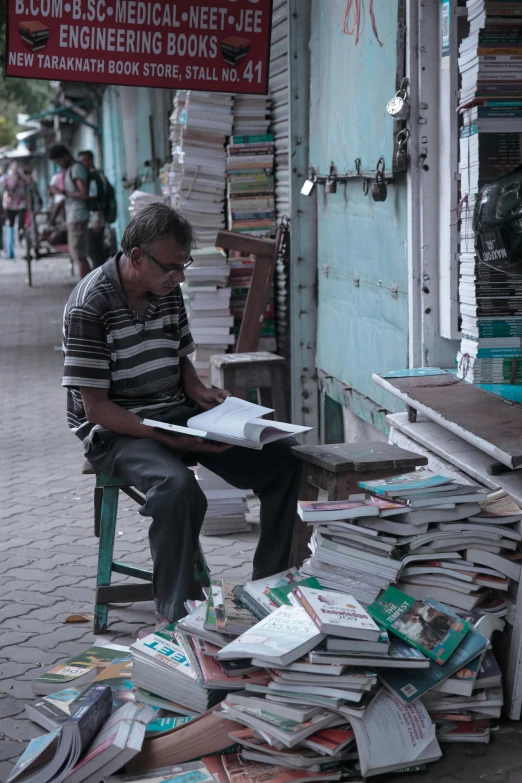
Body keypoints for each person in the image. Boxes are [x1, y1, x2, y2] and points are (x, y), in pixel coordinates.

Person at [62, 204, 301, 625]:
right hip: (116, 429)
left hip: (173, 411)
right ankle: (176, 616)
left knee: (284, 460)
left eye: (184, 265)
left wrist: (200, 392)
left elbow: (180, 360)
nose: (181, 277)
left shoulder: (165, 289)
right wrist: (168, 440)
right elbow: (97, 408)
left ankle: (270, 587)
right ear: (137, 258)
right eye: (172, 267)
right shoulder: (90, 307)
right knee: (177, 489)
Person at [49, 144, 90, 279]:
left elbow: (83, 194)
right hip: (73, 216)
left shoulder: (76, 169)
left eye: (59, 161)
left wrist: (62, 192)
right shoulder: (69, 170)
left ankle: (86, 288)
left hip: (78, 216)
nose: (59, 164)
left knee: (80, 255)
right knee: (77, 255)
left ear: (65, 157)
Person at [78, 149, 108, 269]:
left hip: (95, 219)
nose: (82, 164)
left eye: (84, 160)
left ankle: (100, 280)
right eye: (80, 161)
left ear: (90, 160)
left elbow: (98, 199)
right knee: (97, 250)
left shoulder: (93, 177)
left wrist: (96, 218)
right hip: (96, 218)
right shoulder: (95, 175)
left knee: (94, 250)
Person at [3, 162, 27, 250]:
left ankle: (20, 240)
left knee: (21, 223)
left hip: (21, 204)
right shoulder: (6, 179)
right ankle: (11, 241)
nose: (15, 168)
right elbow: (7, 191)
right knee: (11, 224)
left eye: (17, 167)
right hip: (11, 205)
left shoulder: (22, 178)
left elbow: (26, 189)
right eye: (14, 167)